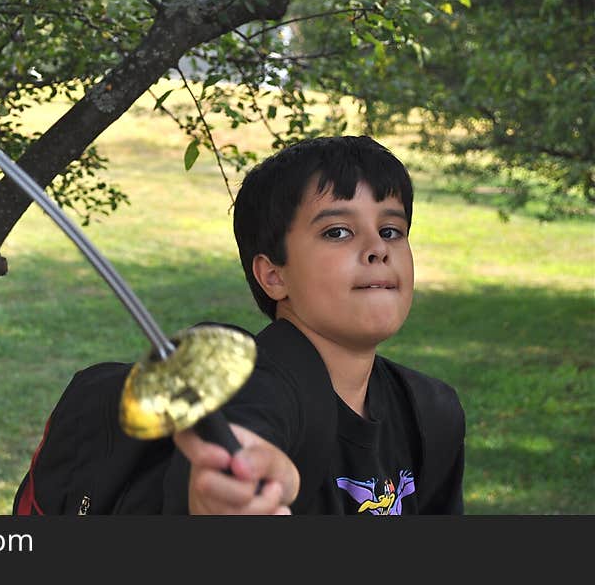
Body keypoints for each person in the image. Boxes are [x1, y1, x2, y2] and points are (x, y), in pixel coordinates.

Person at [161, 135, 465, 515]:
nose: (378, 248)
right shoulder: (247, 385)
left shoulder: (430, 411)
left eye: (391, 230)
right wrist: (233, 486)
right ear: (273, 275)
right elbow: (244, 430)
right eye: (337, 231)